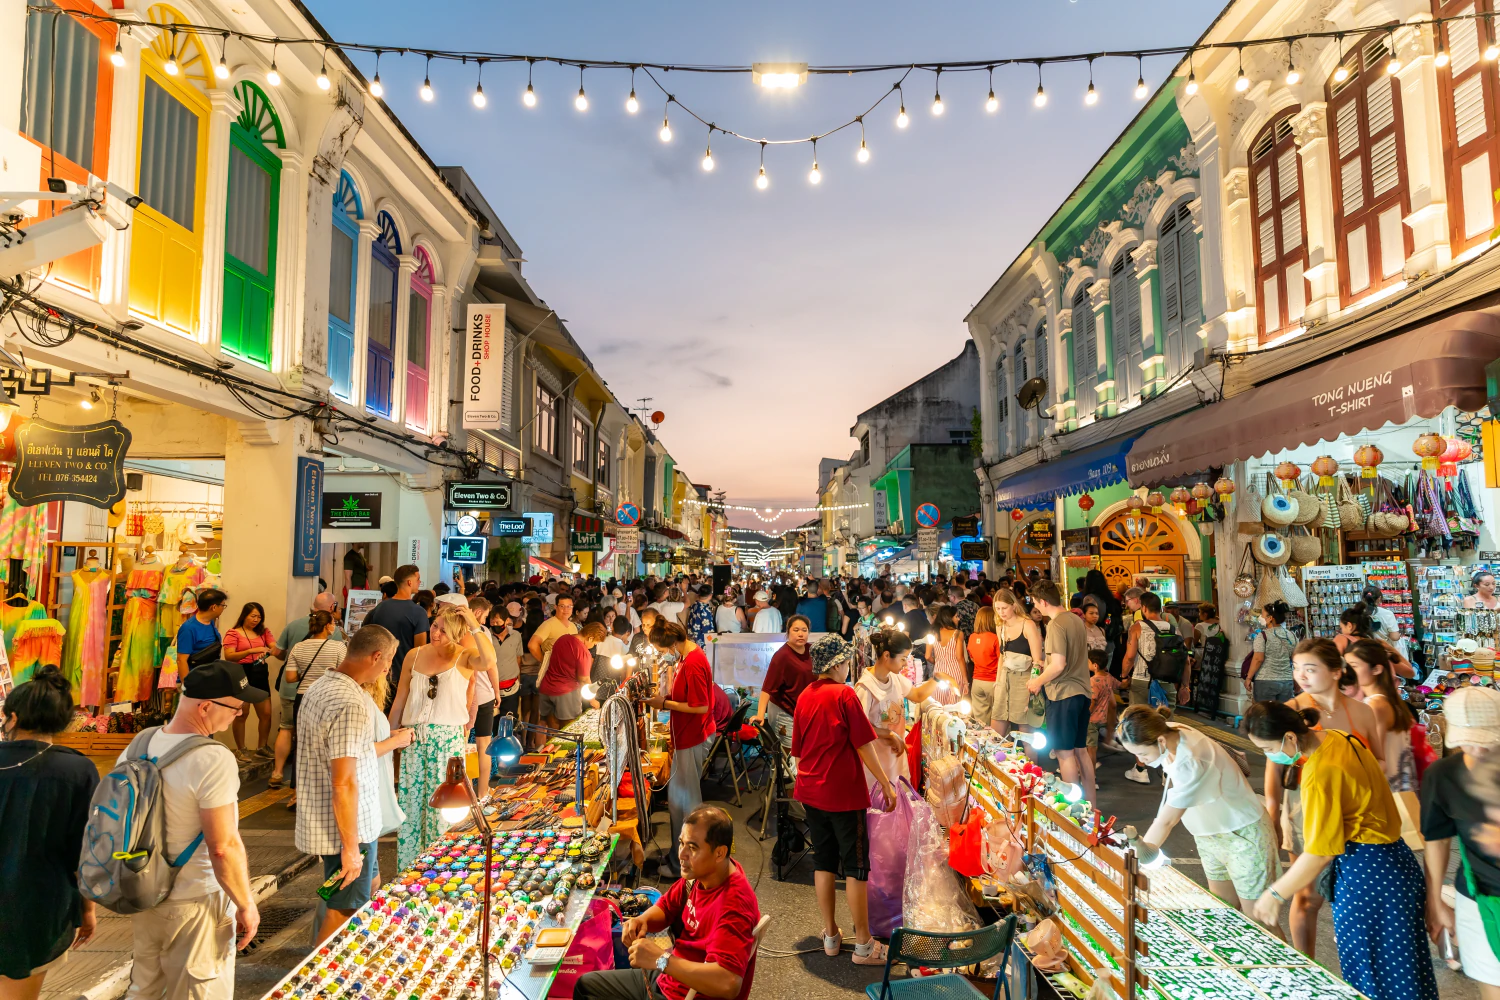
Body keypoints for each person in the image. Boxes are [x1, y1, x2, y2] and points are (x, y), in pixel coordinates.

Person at [1246, 701, 1438, 1000]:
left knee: (1371, 972)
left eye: (1268, 748)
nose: (1268, 756)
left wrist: (1275, 894)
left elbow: (1321, 852)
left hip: (1367, 878)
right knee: (1405, 970)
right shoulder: (1338, 737)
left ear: (1290, 737)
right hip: (1396, 866)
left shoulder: (1319, 773)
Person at [123, 661, 266, 1000]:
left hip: (145, 892)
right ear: (205, 707)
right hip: (196, 902)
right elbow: (223, 846)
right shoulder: (213, 758)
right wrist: (245, 902)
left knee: (144, 989)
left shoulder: (139, 745)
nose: (239, 716)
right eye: (237, 707)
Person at [1264, 638, 1383, 960]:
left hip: (1358, 813)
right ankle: (1306, 967)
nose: (1301, 675)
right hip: (1305, 808)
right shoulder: (1290, 712)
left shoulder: (1363, 711)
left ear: (1336, 671)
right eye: (1296, 668)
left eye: (1310, 668)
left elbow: (1379, 762)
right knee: (1307, 896)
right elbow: (1273, 771)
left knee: (1356, 894)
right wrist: (1273, 815)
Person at [296, 624, 413, 945]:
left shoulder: (323, 684)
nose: (388, 669)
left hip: (350, 823)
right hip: (350, 827)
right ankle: (318, 980)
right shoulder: (349, 702)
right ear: (376, 657)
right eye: (388, 662)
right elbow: (343, 782)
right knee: (343, 909)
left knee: (359, 889)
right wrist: (351, 848)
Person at [576, 806, 760, 1000]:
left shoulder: (734, 904)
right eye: (681, 843)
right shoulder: (702, 875)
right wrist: (642, 921)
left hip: (684, 991)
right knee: (586, 986)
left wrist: (661, 960)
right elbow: (666, 907)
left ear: (720, 853)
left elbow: (728, 983)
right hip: (671, 977)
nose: (681, 855)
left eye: (693, 848)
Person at [792, 635, 897, 967]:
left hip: (810, 790)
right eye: (846, 661)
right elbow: (864, 744)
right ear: (837, 664)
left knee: (823, 861)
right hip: (843, 793)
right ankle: (864, 945)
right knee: (855, 866)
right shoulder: (845, 695)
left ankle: (831, 935)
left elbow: (796, 749)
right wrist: (886, 784)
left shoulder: (805, 696)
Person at [1117, 704, 1278, 915]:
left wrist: (1141, 855)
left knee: (1259, 921)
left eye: (1142, 754)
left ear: (1160, 741)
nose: (1142, 760)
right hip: (1209, 835)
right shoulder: (1167, 730)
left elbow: (1167, 820)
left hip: (1242, 835)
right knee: (1224, 912)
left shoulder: (1190, 760)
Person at [0, 667, 100, 997]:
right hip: (38, 907)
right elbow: (84, 851)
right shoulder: (77, 770)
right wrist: (87, 910)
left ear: (11, 717)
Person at [387, 606, 495, 870]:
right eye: (435, 626)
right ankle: (410, 870)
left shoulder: (465, 657)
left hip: (446, 742)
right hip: (413, 740)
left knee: (445, 811)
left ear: (458, 633)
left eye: (444, 630)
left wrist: (474, 623)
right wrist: (388, 739)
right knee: (411, 809)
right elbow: (401, 698)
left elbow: (489, 660)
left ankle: (443, 868)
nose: (436, 633)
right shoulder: (414, 654)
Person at [1421, 687, 1500, 999]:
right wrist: (1435, 900)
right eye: (1468, 741)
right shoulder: (1443, 776)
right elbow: (1437, 841)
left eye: (1486, 741)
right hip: (1479, 902)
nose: (1476, 750)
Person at [643, 620, 714, 878]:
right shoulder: (687, 655)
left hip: (693, 735)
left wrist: (665, 703)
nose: (663, 656)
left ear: (672, 643)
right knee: (677, 801)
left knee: (687, 804)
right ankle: (679, 856)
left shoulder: (693, 662)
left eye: (662, 651)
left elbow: (700, 706)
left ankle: (686, 864)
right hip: (687, 735)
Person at [1028, 580, 1096, 806]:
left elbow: (1058, 665)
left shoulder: (1056, 625)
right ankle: (1091, 807)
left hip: (1063, 695)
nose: (1036, 607)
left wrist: (1037, 681)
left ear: (1043, 601)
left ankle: (1074, 811)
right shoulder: (1076, 619)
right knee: (1081, 752)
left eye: (1036, 603)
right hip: (1082, 693)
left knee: (1064, 753)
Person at [269, 611, 346, 793]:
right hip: (329, 697)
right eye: (333, 623)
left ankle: (297, 788)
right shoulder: (338, 648)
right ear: (327, 626)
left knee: (302, 742)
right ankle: (327, 785)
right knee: (329, 742)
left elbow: (290, 677)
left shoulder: (298, 647)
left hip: (303, 697)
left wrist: (306, 675)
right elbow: (344, 673)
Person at [855, 628, 936, 788]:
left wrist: (937, 680)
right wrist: (889, 734)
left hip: (896, 757)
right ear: (886, 656)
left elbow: (917, 695)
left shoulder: (895, 678)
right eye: (903, 658)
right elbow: (859, 728)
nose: (906, 663)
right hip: (876, 765)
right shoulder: (866, 687)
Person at [1122, 591, 1185, 784]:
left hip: (1143, 682)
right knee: (1166, 725)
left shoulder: (1137, 627)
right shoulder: (1173, 628)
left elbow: (1130, 657)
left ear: (1143, 608)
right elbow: (1186, 660)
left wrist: (1124, 676)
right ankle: (1168, 771)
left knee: (1139, 724)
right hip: (1168, 683)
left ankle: (1141, 769)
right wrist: (1186, 686)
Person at [360, 565, 430, 705]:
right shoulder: (418, 612)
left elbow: (365, 636)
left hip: (378, 675)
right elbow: (420, 650)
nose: (419, 583)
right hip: (405, 678)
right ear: (410, 582)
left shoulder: (379, 609)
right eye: (418, 579)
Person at [221, 602, 275, 760]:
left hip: (259, 672)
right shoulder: (233, 633)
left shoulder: (264, 632)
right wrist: (251, 651)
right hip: (241, 673)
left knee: (266, 713)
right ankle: (241, 749)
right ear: (244, 615)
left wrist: (266, 654)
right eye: (253, 616)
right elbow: (229, 656)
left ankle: (262, 746)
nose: (256, 619)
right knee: (242, 713)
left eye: (259, 617)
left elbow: (274, 648)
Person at [753, 615, 812, 748]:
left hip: (803, 711)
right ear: (788, 631)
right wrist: (760, 715)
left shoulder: (811, 650)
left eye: (804, 630)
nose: (801, 634)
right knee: (789, 755)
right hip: (785, 712)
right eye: (796, 630)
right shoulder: (782, 656)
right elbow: (767, 688)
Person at [991, 588, 1043, 739]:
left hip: (1024, 680)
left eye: (1004, 608)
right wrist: (998, 680)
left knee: (1026, 736)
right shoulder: (1000, 626)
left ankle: (1031, 763)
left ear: (1013, 605)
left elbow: (1037, 661)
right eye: (998, 608)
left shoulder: (1028, 624)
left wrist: (1034, 685)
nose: (1001, 612)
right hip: (1005, 679)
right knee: (995, 734)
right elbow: (1001, 655)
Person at [538, 621, 604, 729]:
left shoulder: (562, 638)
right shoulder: (583, 651)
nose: (593, 646)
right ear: (590, 638)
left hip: (546, 688)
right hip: (566, 693)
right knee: (569, 731)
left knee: (551, 731)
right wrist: (593, 700)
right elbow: (584, 679)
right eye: (595, 643)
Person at [1246, 601, 1298, 704]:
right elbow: (1295, 660)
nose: (1261, 617)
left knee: (1265, 714)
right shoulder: (1292, 635)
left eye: (1263, 615)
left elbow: (1258, 659)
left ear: (1270, 618)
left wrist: (1248, 678)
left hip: (1265, 681)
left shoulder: (1263, 636)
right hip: (1287, 681)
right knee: (1283, 714)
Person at [175, 588, 226, 681]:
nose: (223, 608)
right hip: (195, 679)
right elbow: (181, 660)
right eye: (223, 605)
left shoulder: (210, 622)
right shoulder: (188, 629)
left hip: (209, 675)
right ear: (214, 607)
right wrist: (187, 687)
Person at [967, 606, 1001, 731]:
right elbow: (1001, 660)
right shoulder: (995, 638)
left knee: (980, 721)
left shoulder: (972, 637)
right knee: (998, 719)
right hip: (993, 682)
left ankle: (980, 746)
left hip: (977, 681)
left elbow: (972, 658)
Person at [927, 605, 968, 704]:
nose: (958, 619)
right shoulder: (958, 633)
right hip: (955, 673)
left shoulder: (932, 633)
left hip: (939, 672)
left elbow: (927, 656)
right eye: (956, 616)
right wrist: (966, 680)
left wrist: (938, 662)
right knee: (954, 706)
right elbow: (960, 658)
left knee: (939, 705)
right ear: (949, 618)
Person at [1087, 650, 1119, 762]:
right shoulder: (1109, 677)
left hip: (1092, 719)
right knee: (1093, 746)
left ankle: (1091, 772)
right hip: (1104, 718)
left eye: (1088, 662)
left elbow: (1092, 701)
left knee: (1091, 748)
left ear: (1095, 665)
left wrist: (1086, 714)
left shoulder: (1093, 681)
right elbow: (1119, 685)